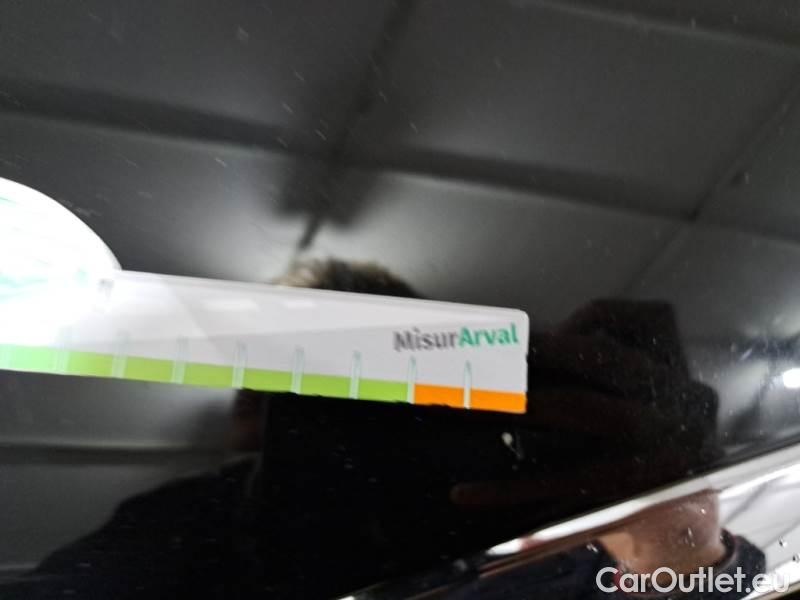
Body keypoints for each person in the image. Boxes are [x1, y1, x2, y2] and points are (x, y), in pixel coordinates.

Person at [6, 260, 764, 599]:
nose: (367, 438)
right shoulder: (181, 528)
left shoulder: (530, 522)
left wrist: (684, 542)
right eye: (322, 402)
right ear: (249, 418)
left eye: (393, 394)